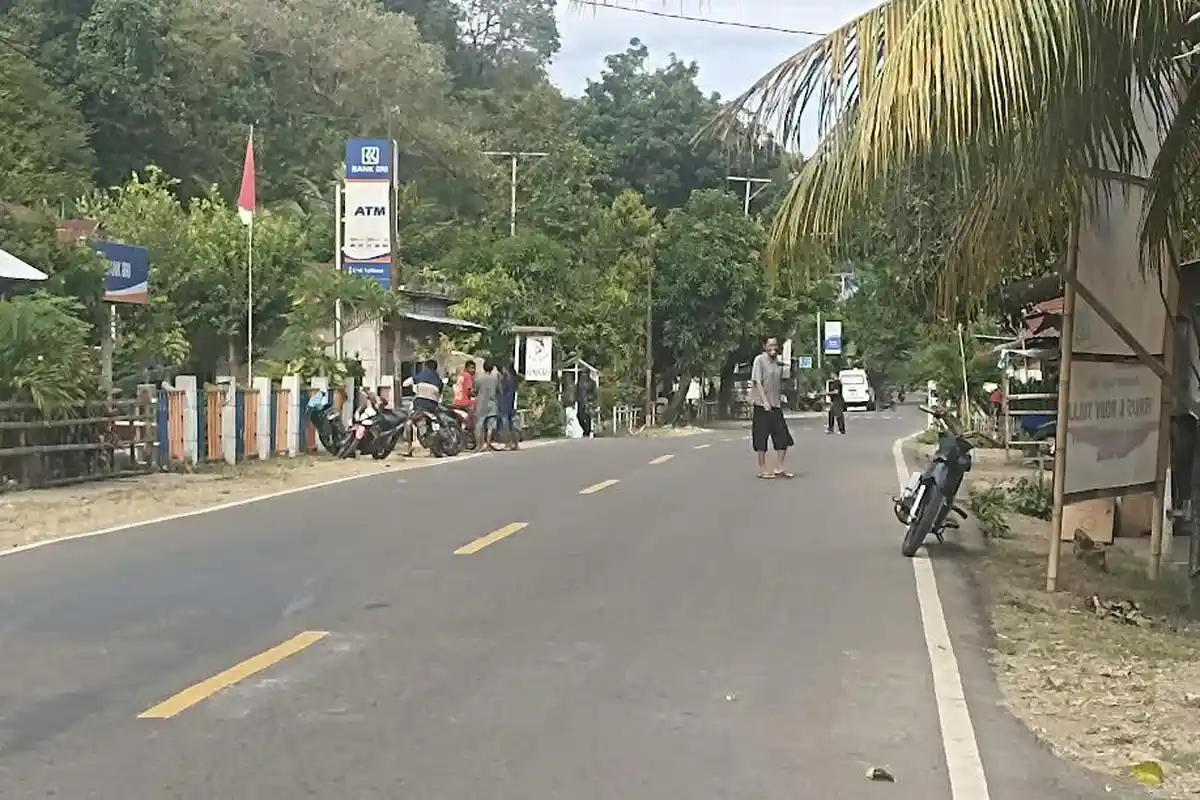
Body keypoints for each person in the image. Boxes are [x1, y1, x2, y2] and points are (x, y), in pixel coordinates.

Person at [750, 336, 794, 478]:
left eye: (775, 345)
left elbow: (784, 378)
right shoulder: (759, 360)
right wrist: (764, 401)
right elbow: (757, 381)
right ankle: (762, 469)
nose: (773, 348)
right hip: (762, 405)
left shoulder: (777, 363)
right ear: (764, 346)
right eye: (770, 345)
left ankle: (779, 467)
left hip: (775, 405)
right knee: (761, 438)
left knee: (783, 437)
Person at [402, 359, 443, 456]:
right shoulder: (438, 379)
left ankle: (409, 448)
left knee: (408, 424)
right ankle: (433, 450)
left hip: (420, 406)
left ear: (426, 367)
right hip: (433, 407)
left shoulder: (421, 376)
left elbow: (405, 383)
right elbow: (439, 394)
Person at [473, 359, 501, 451]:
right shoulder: (495, 379)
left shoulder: (479, 379)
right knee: (490, 427)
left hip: (481, 404)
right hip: (492, 404)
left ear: (483, 367)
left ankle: (479, 445)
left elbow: (475, 391)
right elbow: (499, 390)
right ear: (492, 368)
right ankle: (488, 445)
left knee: (479, 425)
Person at [498, 362, 520, 450]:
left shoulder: (506, 379)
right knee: (511, 425)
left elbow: (501, 390)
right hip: (510, 403)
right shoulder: (514, 379)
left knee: (505, 424)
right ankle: (515, 443)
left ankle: (508, 443)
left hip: (504, 403)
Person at [453, 359, 477, 432]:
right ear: (466, 368)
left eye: (474, 368)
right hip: (464, 402)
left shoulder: (461, 375)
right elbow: (469, 392)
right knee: (476, 405)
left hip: (456, 401)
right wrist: (477, 394)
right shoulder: (468, 376)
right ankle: (469, 428)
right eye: (471, 368)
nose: (473, 370)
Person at [575, 370, 596, 437]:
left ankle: (587, 431)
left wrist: (590, 398)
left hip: (588, 402)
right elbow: (577, 391)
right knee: (579, 416)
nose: (583, 375)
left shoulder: (592, 382)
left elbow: (594, 393)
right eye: (582, 374)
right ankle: (586, 430)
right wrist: (576, 399)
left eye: (585, 374)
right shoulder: (579, 383)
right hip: (580, 402)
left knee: (587, 416)